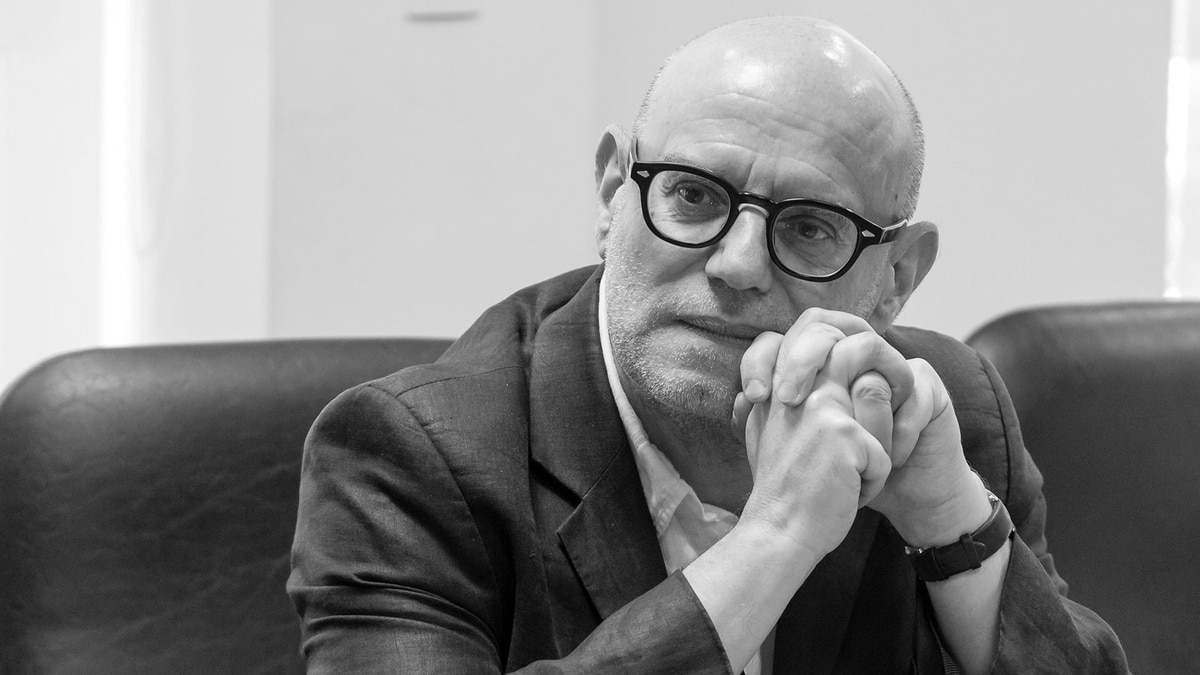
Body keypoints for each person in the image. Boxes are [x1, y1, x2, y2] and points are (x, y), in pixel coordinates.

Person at [288, 16, 1127, 674]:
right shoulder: (410, 458)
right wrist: (776, 537)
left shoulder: (941, 415)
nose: (737, 264)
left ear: (897, 274)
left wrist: (951, 528)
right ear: (612, 193)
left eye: (809, 227)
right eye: (692, 196)